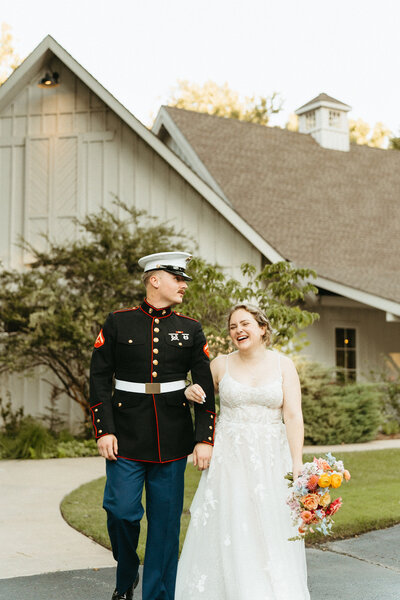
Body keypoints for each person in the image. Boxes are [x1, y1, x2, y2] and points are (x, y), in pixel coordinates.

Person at [89, 251, 215, 600]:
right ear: (154, 279)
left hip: (172, 439)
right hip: (125, 436)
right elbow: (99, 377)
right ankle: (127, 572)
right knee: (121, 512)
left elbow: (205, 387)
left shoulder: (189, 329)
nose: (183, 285)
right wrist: (104, 429)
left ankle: (158, 596)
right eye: (178, 279)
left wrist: (204, 438)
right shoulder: (118, 322)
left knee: (164, 528)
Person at [175, 303, 310, 599]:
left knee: (269, 524)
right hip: (229, 458)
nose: (238, 330)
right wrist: (188, 392)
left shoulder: (283, 365)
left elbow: (293, 415)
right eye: (233, 326)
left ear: (262, 329)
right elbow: (202, 399)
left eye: (245, 324)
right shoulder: (220, 364)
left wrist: (297, 461)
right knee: (232, 520)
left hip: (272, 457)